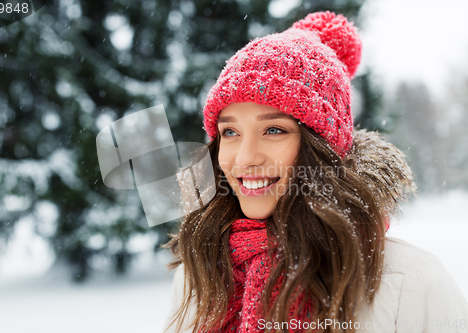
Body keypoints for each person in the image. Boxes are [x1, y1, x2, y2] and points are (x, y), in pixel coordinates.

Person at [162, 11, 468, 333]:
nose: (245, 158)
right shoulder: (201, 273)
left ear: (322, 148)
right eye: (230, 133)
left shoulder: (407, 281)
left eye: (274, 130)